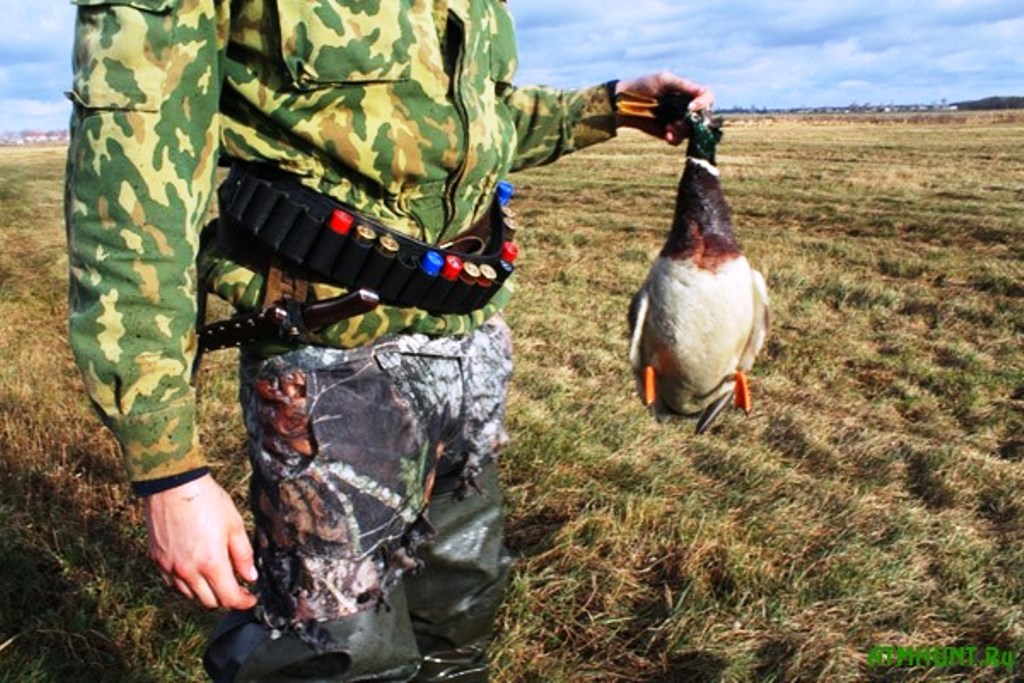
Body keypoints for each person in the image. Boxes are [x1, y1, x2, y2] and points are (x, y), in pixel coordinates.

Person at [65, 1, 714, 680]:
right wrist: (166, 467)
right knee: (341, 657)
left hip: (467, 353)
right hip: (329, 377)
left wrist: (612, 106)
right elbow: (131, 205)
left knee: (457, 625)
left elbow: (463, 129)